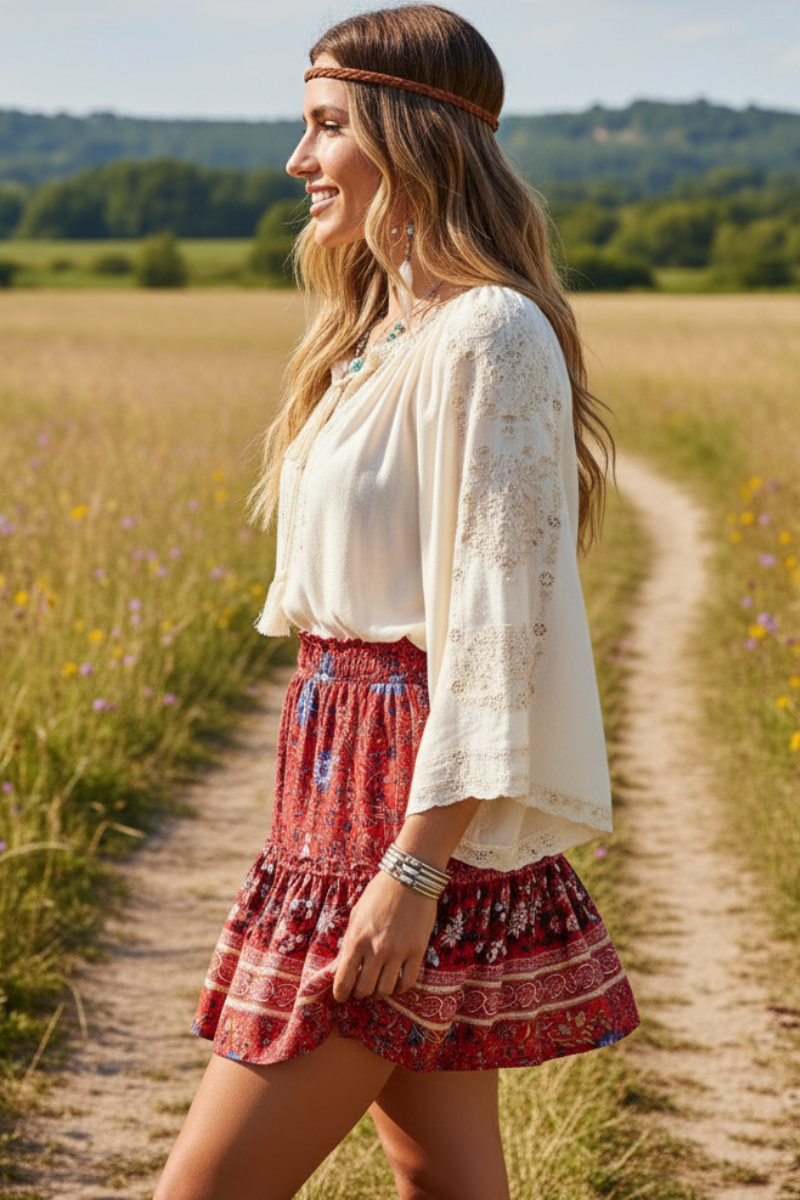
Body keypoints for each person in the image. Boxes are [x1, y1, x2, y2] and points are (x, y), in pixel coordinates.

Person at [154, 6, 640, 1199]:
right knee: (446, 1182)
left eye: (325, 127)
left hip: (400, 809)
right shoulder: (379, 333)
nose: (297, 160)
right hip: (332, 784)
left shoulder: (489, 336)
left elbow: (495, 639)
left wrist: (411, 876)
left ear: (411, 138)